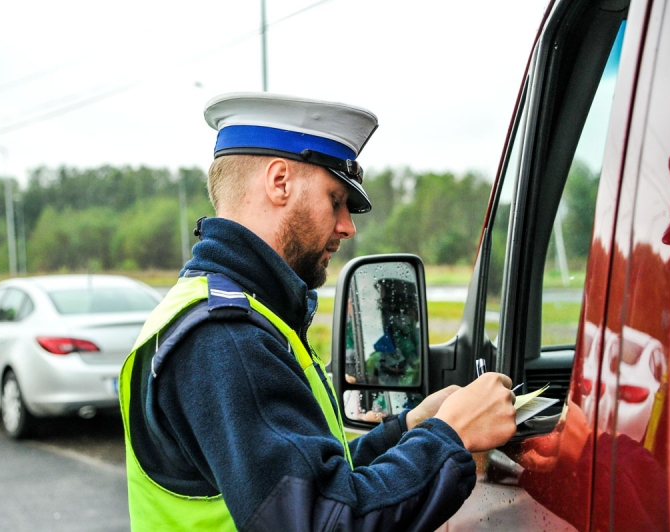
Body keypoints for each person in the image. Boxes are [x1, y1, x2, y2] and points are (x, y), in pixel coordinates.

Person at [119, 92, 518, 531]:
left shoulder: (238, 314)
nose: (347, 226)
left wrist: (411, 427)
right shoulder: (226, 338)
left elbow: (312, 483)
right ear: (279, 182)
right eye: (336, 200)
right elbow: (324, 521)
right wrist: (452, 436)